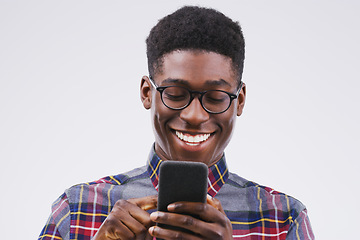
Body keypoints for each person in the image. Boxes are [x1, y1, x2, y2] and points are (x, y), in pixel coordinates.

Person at [38, 6, 314, 240]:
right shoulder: (77, 209)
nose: (194, 116)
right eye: (175, 94)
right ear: (148, 93)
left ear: (239, 100)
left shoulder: (283, 219)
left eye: (216, 97)